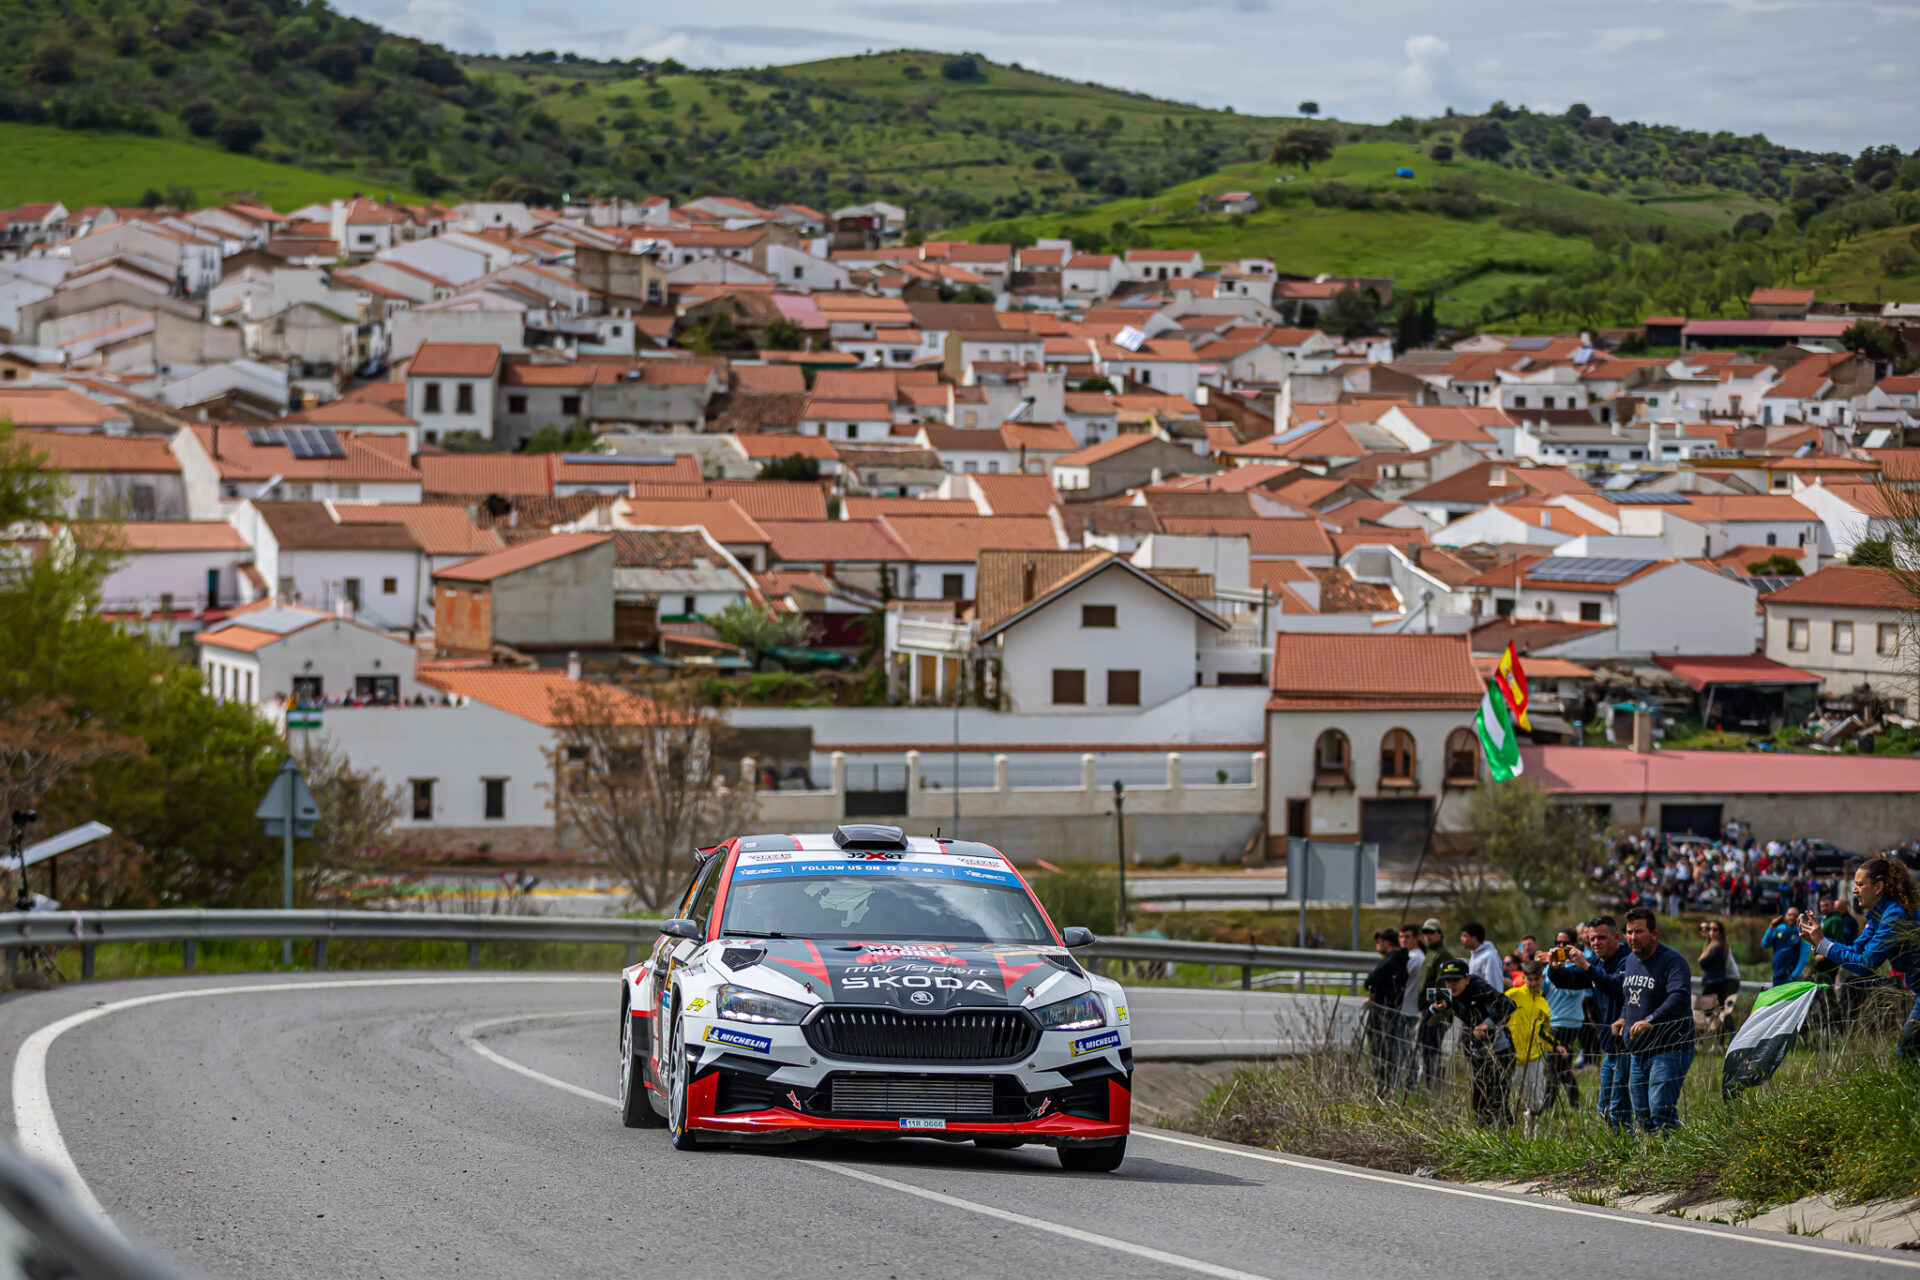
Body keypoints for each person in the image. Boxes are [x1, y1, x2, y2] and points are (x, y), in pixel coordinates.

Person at [1798, 856, 1920, 1058]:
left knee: (1905, 1051)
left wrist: (1823, 943)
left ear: (1878, 886)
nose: (1854, 890)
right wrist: (1819, 942)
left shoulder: (1894, 916)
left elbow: (1865, 964)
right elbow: (1855, 951)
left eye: (1860, 884)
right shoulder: (1879, 915)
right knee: (1907, 1051)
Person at [1547, 915, 1631, 1130]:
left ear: (1616, 937)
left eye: (1601, 938)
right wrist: (1554, 969)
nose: (1595, 943)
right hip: (1610, 1046)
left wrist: (1587, 966)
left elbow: (1616, 987)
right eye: (1592, 938)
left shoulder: (1628, 960)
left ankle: (1632, 1145)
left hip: (1629, 1046)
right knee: (1605, 1110)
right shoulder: (1595, 961)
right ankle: (1623, 1144)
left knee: (1620, 1110)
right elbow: (1570, 980)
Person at [1616, 907, 1695, 1132]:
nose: (1633, 937)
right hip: (1638, 1050)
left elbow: (1679, 997)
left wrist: (1651, 1019)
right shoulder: (1630, 961)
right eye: (1629, 932)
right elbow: (1631, 997)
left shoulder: (1672, 961)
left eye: (1638, 931)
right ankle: (1654, 1152)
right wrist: (1623, 1017)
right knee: (1642, 1116)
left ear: (1654, 934)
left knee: (1661, 1109)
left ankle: (1676, 1149)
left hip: (1669, 1047)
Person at [1429, 957, 1517, 1127]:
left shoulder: (1479, 987)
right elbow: (1430, 1022)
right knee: (1479, 1097)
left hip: (1500, 1049)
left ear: (1467, 979)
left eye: (1456, 980)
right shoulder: (1448, 994)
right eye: (1448, 980)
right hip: (1476, 1052)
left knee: (1497, 1096)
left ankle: (1506, 1132)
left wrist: (1487, 1023)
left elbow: (1509, 1004)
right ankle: (1482, 1131)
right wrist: (1436, 1009)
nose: (1451, 985)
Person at [1506, 961, 1559, 1133]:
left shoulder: (1543, 1002)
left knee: (1535, 1099)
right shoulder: (1512, 995)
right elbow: (1498, 1017)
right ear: (1524, 978)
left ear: (1542, 978)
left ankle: (1533, 1134)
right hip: (1513, 1057)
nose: (1534, 983)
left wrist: (1555, 1046)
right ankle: (1509, 1132)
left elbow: (1544, 1031)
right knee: (1510, 1097)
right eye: (1530, 979)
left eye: (1537, 979)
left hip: (1535, 1057)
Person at [1363, 927, 1412, 1095]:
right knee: (1387, 1052)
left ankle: (1383, 1088)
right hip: (1393, 1010)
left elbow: (1369, 981)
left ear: (1386, 942)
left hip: (1382, 1014)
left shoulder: (1389, 962)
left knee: (1381, 1051)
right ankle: (1386, 1087)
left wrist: (1374, 990)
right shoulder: (1400, 960)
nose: (1377, 945)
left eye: (1379, 942)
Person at [1542, 928, 1587, 1099]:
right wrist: (1547, 968)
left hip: (1569, 1023)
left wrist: (1560, 972)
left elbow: (1573, 991)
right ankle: (1574, 1102)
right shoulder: (1550, 966)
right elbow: (1542, 990)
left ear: (1574, 944)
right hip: (1552, 1021)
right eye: (1557, 943)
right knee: (1562, 1068)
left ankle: (1548, 1103)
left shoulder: (1579, 967)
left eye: (1565, 943)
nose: (1560, 946)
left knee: (1552, 1066)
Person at [1415, 918, 1454, 1092]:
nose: (1428, 936)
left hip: (1437, 1011)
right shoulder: (1431, 952)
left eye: (1431, 932)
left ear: (1440, 934)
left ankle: (1436, 1086)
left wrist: (1433, 1007)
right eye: (1425, 932)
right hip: (1428, 1010)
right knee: (1426, 1047)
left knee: (1432, 1048)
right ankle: (1431, 1085)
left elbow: (1443, 985)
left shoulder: (1443, 954)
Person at [1397, 923, 1426, 1091]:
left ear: (1417, 938)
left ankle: (1410, 1081)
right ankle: (1409, 1080)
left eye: (1407, 937)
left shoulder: (1414, 957)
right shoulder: (1411, 956)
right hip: (1408, 1008)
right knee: (1405, 1047)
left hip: (1408, 1009)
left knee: (1404, 1047)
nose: (1403, 940)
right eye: (1401, 937)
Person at [1762, 908, 1811, 987]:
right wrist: (1771, 928)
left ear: (1799, 918)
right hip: (1777, 972)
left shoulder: (1802, 932)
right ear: (1785, 916)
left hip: (1791, 975)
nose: (1792, 917)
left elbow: (1804, 957)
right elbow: (1765, 944)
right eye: (1790, 915)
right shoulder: (1779, 929)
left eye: (1795, 915)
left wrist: (1795, 975)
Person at [1462, 921, 1503, 990]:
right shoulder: (1474, 955)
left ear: (1474, 937)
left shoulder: (1489, 956)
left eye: (1465, 936)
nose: (1461, 938)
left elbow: (1494, 985)